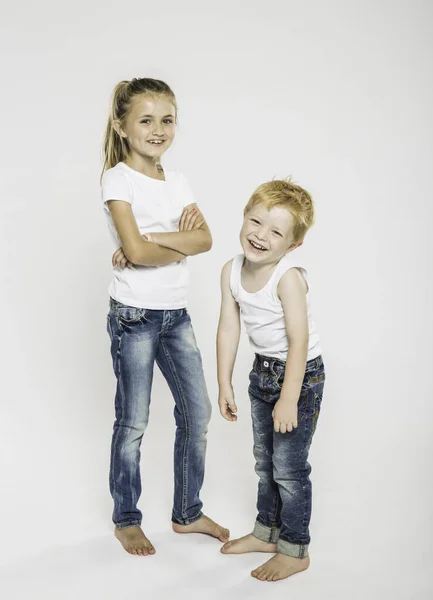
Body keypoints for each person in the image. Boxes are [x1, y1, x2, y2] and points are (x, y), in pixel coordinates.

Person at [101, 77, 229, 556]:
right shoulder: (118, 179)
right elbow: (132, 250)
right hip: (134, 316)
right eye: (146, 120)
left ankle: (187, 512)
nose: (159, 129)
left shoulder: (178, 182)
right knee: (133, 422)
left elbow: (206, 240)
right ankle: (126, 518)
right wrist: (165, 241)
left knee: (197, 413)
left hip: (176, 316)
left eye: (167, 119)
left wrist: (151, 244)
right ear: (122, 126)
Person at [217, 179, 324, 581]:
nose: (260, 235)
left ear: (292, 245)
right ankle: (268, 532)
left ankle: (295, 549)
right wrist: (225, 382)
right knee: (265, 463)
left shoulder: (287, 277)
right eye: (255, 221)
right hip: (262, 373)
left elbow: (298, 344)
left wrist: (289, 399)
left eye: (275, 231)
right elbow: (228, 327)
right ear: (244, 216)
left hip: (300, 378)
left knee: (289, 469)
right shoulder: (231, 270)